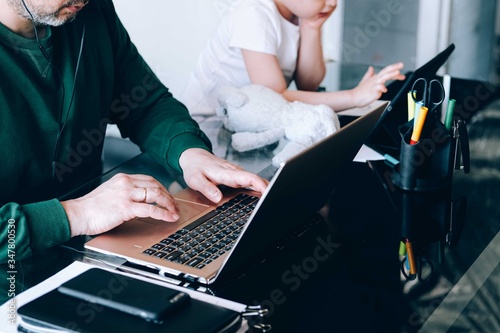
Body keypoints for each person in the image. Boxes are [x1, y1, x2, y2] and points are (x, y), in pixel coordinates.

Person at [0, 0, 268, 263]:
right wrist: (78, 214)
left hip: (90, 252)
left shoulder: (89, 11)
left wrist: (191, 153)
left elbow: (145, 103)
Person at [179, 0, 406, 115]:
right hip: (207, 126)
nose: (333, 3)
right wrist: (353, 97)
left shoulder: (299, 13)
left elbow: (309, 82)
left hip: (250, 120)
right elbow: (273, 97)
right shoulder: (253, 13)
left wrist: (311, 28)